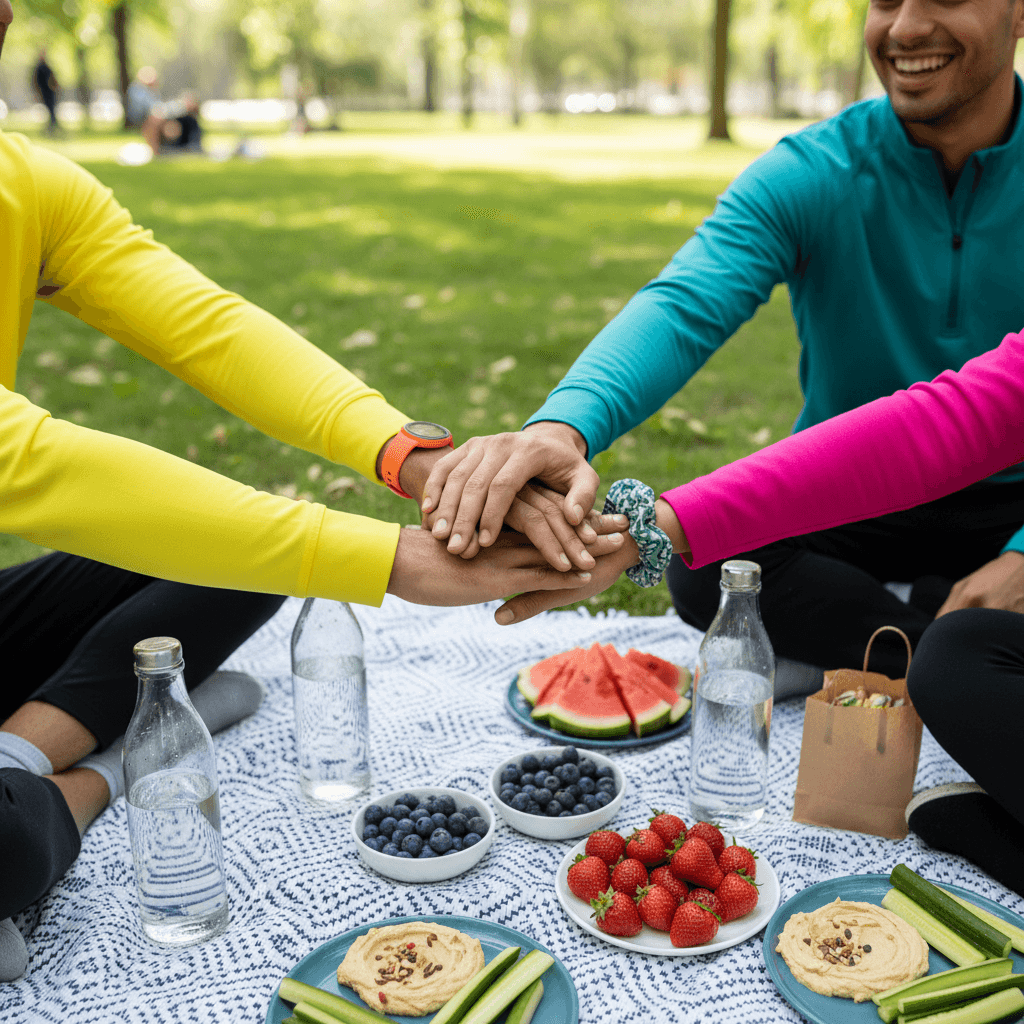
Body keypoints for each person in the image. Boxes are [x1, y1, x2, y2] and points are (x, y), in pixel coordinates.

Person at [0, 0, 625, 980]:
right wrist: (392, 560)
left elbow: (205, 325)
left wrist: (416, 464)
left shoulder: (22, 178)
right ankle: (96, 773)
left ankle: (17, 761)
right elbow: (19, 456)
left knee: (240, 558)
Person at [419, 0, 1024, 692]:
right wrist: (566, 426)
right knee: (706, 564)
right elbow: (684, 305)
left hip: (1016, 496)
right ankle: (953, 658)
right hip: (853, 484)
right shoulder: (817, 168)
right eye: (884, 0)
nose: (906, 27)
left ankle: (911, 646)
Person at [32, 49, 58, 135]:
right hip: (45, 91)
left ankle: (52, 127)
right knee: (50, 110)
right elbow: (37, 81)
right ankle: (51, 128)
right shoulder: (41, 68)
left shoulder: (46, 67)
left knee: (51, 110)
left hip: (49, 91)